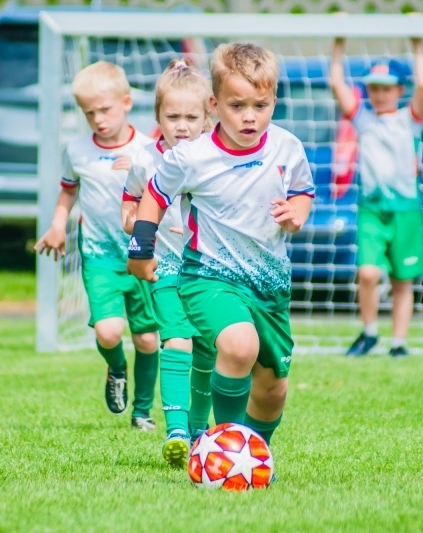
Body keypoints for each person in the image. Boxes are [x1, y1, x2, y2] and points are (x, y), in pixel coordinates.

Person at [127, 43, 315, 448]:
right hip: (208, 278)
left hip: (269, 286)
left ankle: (254, 452)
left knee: (272, 390)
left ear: (274, 101)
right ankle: (227, 449)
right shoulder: (192, 157)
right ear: (214, 104)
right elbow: (153, 196)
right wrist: (140, 250)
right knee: (239, 345)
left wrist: (296, 213)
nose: (249, 116)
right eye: (237, 105)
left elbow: (302, 191)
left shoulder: (287, 147)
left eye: (260, 106)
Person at [35, 61, 160, 430]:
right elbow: (68, 191)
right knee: (108, 332)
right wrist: (58, 226)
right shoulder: (77, 151)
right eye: (89, 113)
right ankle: (117, 368)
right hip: (100, 258)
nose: (98, 119)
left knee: (148, 339)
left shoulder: (147, 149)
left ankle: (142, 413)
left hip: (141, 256)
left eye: (105, 110)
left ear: (126, 102)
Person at [121, 58, 215, 467]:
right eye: (172, 117)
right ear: (158, 116)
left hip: (209, 270)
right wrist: (138, 225)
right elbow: (129, 204)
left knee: (208, 350)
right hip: (167, 267)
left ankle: (198, 429)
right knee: (177, 340)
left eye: (191, 117)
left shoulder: (216, 157)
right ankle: (176, 430)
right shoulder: (145, 159)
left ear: (208, 116)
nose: (182, 126)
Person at [330, 37, 423, 357]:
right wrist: (339, 42)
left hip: (405, 210)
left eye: (387, 88)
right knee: (368, 273)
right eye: (374, 88)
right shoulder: (364, 120)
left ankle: (398, 342)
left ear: (399, 90)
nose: (380, 94)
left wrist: (418, 44)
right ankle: (370, 331)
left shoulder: (409, 120)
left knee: (403, 280)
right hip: (372, 210)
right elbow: (337, 83)